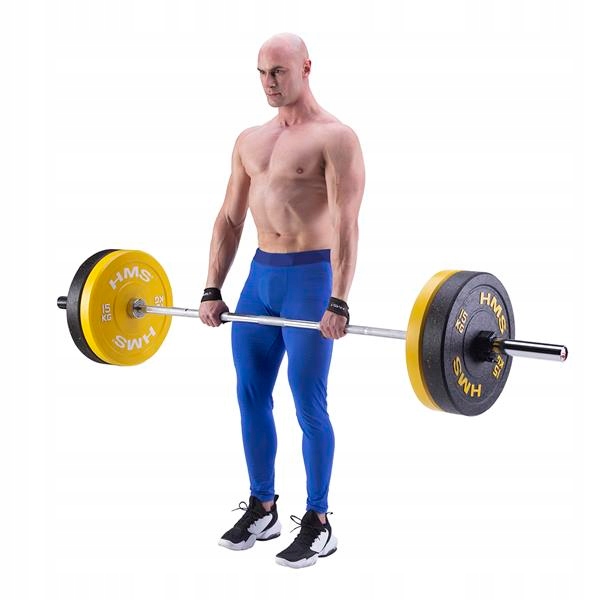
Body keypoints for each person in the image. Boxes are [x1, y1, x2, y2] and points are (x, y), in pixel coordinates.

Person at [199, 32, 365, 569]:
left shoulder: (336, 138)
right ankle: (263, 506)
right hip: (259, 278)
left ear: (306, 68)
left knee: (308, 403)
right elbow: (229, 219)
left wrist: (339, 300)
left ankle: (319, 521)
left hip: (309, 280)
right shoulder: (250, 140)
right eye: (262, 73)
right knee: (250, 395)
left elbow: (346, 224)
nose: (269, 82)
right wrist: (212, 287)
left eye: (279, 72)